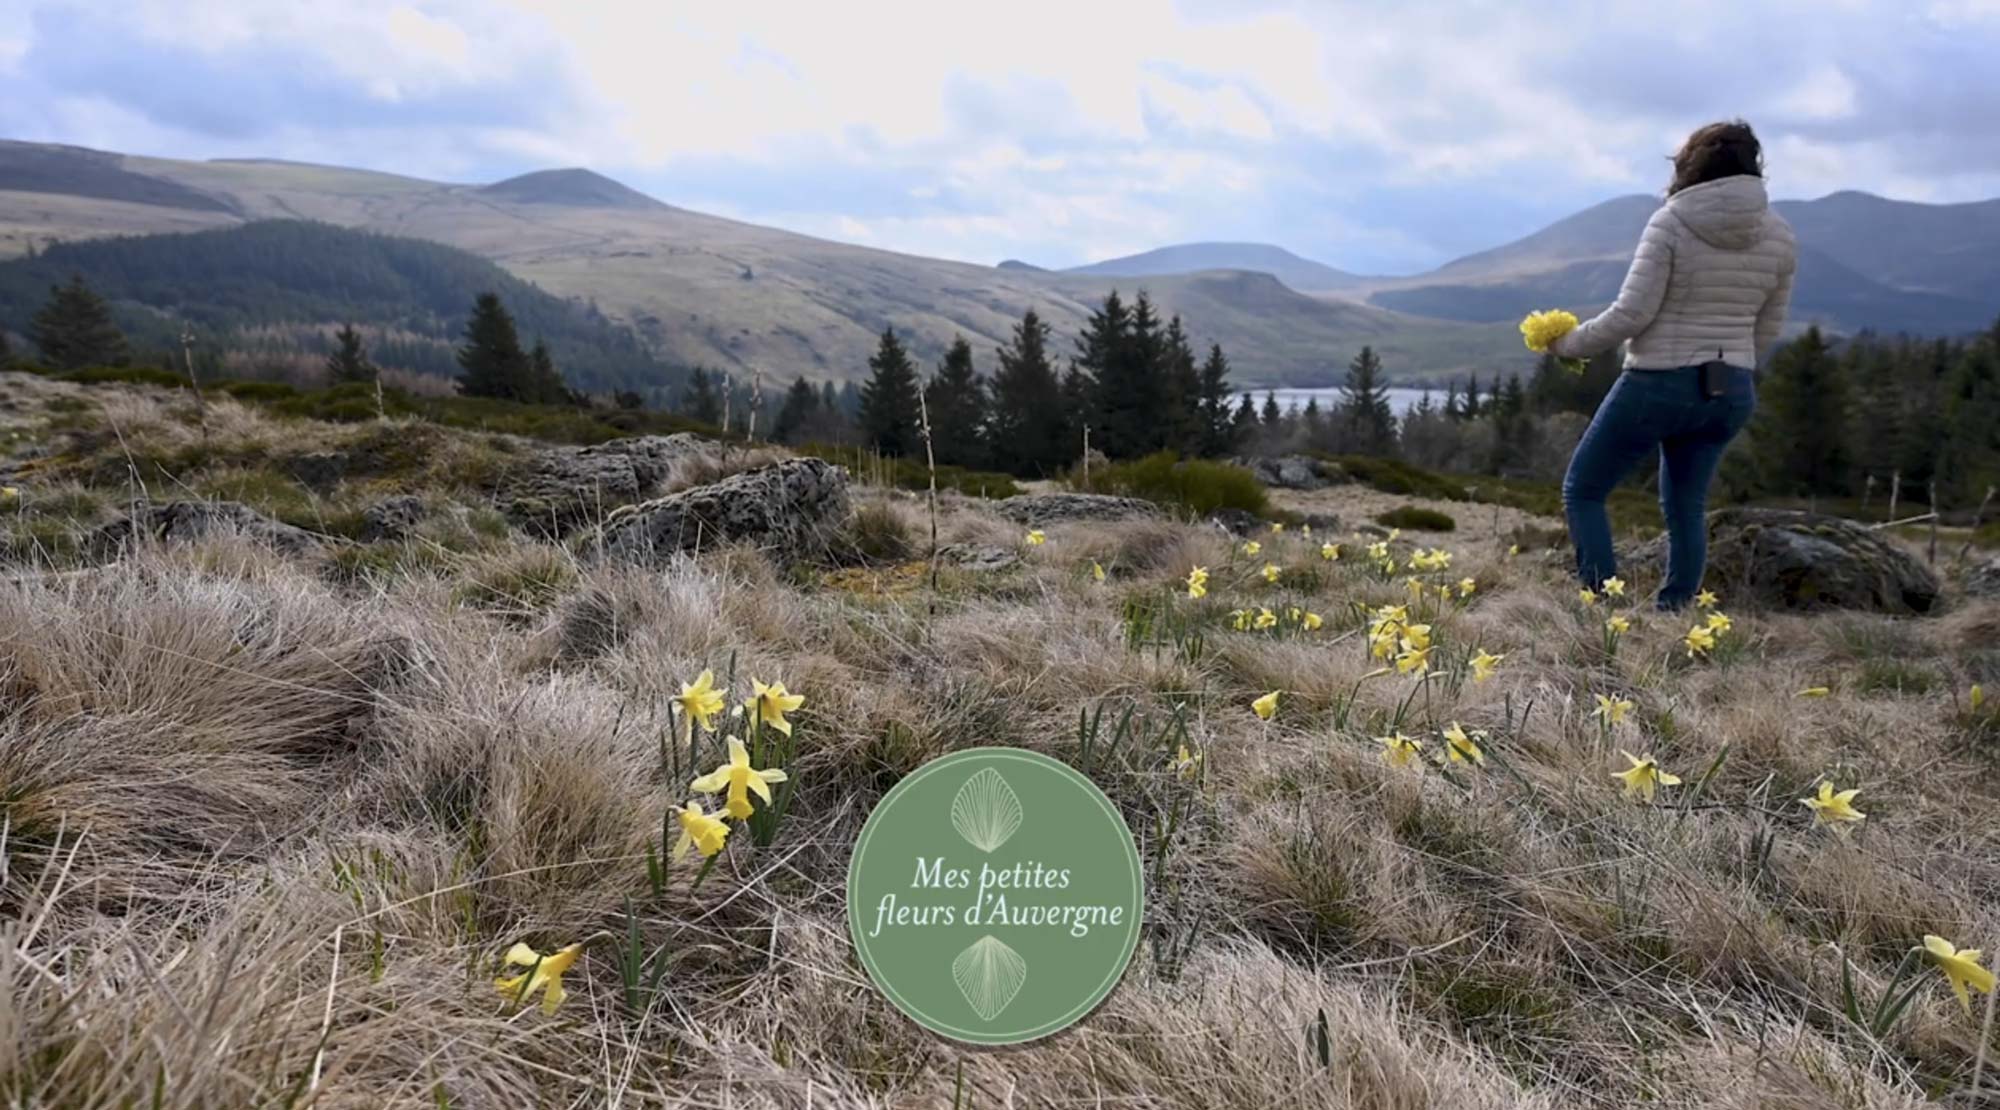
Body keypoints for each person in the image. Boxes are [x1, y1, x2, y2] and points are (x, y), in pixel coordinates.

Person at [1554, 119, 1796, 611]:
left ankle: (1604, 611)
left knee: (1584, 491)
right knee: (1686, 506)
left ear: (1691, 164)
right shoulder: (1780, 234)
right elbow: (1767, 329)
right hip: (1730, 389)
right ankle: (1676, 610)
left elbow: (1632, 313)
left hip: (1657, 383)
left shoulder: (1671, 221)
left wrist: (1568, 345)